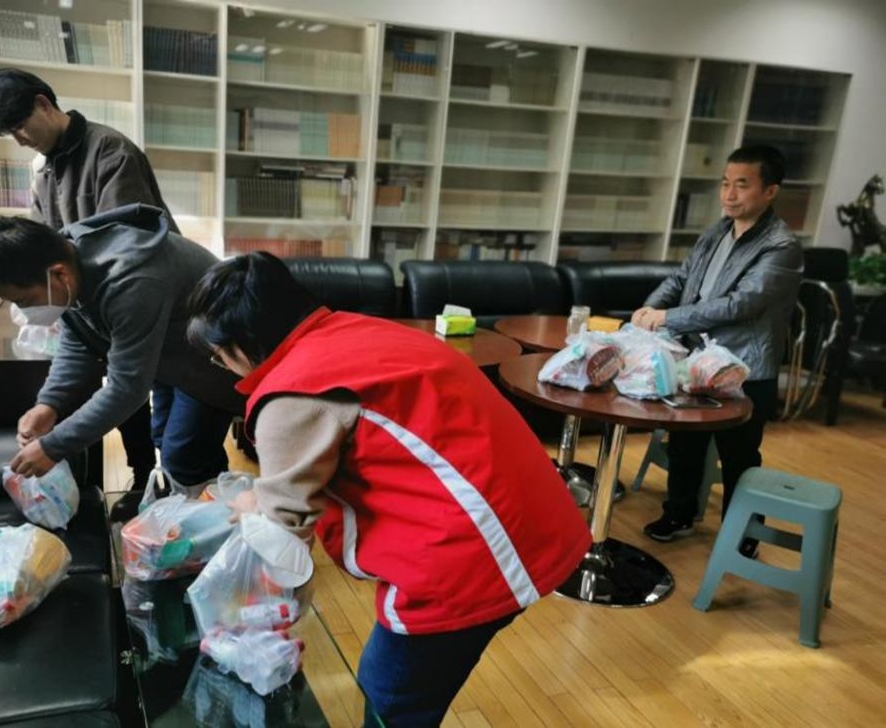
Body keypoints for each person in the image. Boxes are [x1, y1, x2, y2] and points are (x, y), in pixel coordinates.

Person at [184, 252, 591, 727]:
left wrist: (255, 516)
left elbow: (282, 545)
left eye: (217, 356)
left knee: (389, 696)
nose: (221, 366)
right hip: (533, 508)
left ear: (238, 348)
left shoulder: (291, 392)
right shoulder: (356, 332)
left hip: (484, 542)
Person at [0, 68, 190, 488]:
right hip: (97, 300)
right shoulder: (44, 171)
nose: (19, 139)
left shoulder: (110, 152)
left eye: (19, 126)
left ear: (43, 104)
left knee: (171, 426)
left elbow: (128, 246)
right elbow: (40, 242)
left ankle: (164, 485)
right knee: (139, 403)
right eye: (9, 134)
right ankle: (146, 482)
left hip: (154, 304)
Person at [0, 204, 240, 486]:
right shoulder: (67, 262)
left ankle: (222, 507)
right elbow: (78, 344)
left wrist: (53, 447)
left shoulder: (131, 280)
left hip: (219, 360)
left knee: (185, 455)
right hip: (172, 353)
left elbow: (127, 388)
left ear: (59, 274)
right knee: (165, 438)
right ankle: (200, 501)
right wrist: (48, 404)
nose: (25, 311)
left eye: (24, 301)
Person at [632, 145, 803, 557]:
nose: (729, 194)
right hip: (696, 359)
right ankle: (679, 514)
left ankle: (743, 536)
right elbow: (680, 278)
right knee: (685, 442)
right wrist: (648, 310)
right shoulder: (718, 231)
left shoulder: (781, 246)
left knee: (739, 455)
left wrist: (668, 317)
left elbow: (740, 305)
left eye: (742, 185)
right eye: (725, 183)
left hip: (744, 369)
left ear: (770, 191)